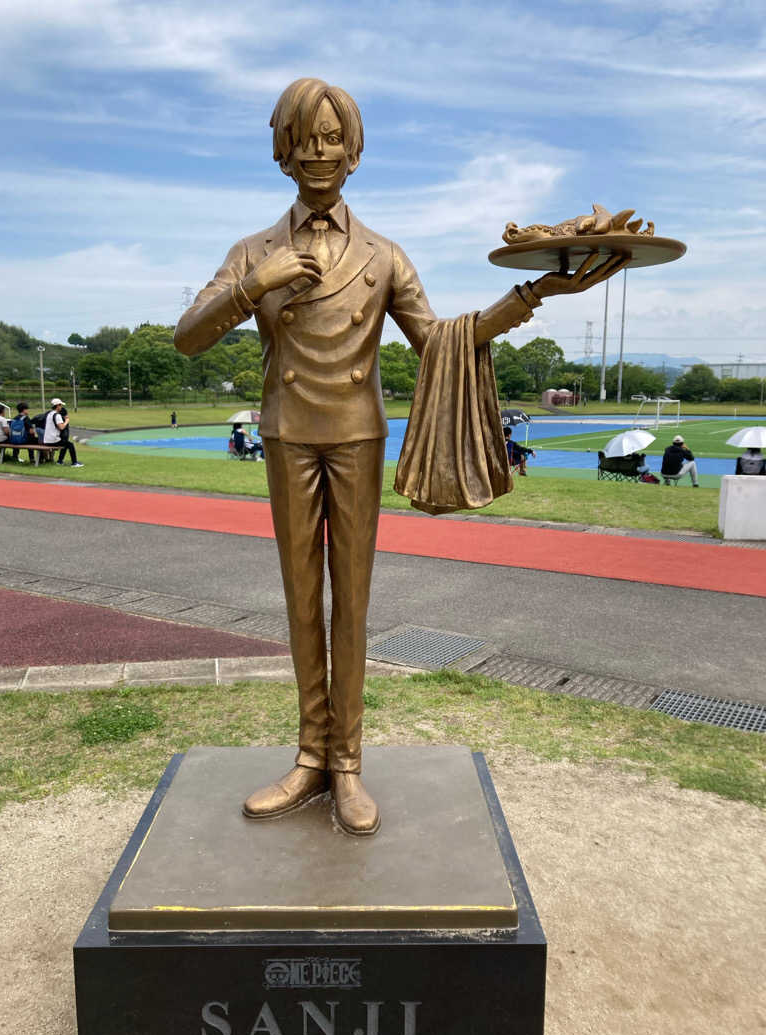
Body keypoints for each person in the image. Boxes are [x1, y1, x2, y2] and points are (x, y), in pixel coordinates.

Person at [174, 77, 627, 835]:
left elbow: (443, 338)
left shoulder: (385, 257)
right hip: (287, 432)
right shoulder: (252, 251)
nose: (320, 154)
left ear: (354, 152)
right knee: (298, 602)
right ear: (282, 150)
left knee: (351, 605)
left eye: (332, 138)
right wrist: (256, 284)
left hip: (356, 434)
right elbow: (189, 335)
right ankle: (308, 755)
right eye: (305, 138)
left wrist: (534, 293)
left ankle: (345, 764)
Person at [44, 397, 84, 468]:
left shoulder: (49, 414)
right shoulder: (57, 415)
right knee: (70, 445)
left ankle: (60, 461)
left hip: (47, 440)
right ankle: (74, 463)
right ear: (57, 406)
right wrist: (66, 421)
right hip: (54, 440)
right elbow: (61, 427)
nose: (61, 407)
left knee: (65, 443)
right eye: (60, 405)